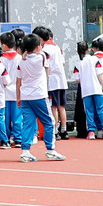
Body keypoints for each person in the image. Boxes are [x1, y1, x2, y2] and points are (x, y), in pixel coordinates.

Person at [12, 34, 63, 163]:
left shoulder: (21, 61)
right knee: (49, 122)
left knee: (28, 124)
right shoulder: (41, 57)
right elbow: (46, 66)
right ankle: (50, 150)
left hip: (25, 96)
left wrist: (18, 97)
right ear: (37, 47)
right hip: (39, 95)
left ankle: (25, 151)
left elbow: (18, 81)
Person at [74, 40, 103, 139]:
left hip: (85, 90)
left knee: (89, 111)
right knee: (101, 109)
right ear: (88, 49)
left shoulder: (78, 63)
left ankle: (91, 132)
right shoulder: (95, 60)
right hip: (96, 88)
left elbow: (77, 79)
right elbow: (100, 74)